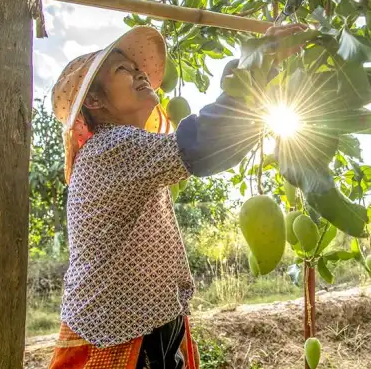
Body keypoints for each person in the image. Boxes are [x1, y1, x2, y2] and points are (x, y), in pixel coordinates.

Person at [47, 23, 305, 369]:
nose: (140, 75)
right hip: (115, 332)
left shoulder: (131, 149)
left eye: (139, 69)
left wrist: (254, 70)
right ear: (94, 100)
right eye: (123, 70)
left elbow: (213, 141)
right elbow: (204, 145)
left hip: (146, 321)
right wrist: (252, 66)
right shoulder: (110, 148)